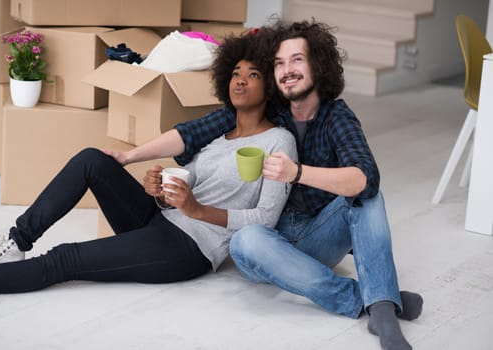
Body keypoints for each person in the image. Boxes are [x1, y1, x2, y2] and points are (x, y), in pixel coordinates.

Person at [158, 20, 424, 350]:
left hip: (319, 235)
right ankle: (374, 298)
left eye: (297, 60)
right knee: (244, 241)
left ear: (318, 65)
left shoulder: (336, 116)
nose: (287, 70)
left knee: (367, 198)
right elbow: (194, 133)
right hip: (269, 241)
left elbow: (364, 178)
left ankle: (382, 315)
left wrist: (296, 172)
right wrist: (127, 157)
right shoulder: (270, 112)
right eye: (279, 63)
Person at [0, 32, 297, 294]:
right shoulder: (219, 137)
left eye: (252, 75)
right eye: (236, 73)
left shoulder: (279, 141)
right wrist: (158, 190)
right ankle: (18, 241)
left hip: (186, 247)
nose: (240, 81)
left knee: (64, 258)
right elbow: (186, 184)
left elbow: (264, 219)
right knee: (92, 160)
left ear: (270, 85)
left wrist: (196, 210)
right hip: (160, 218)